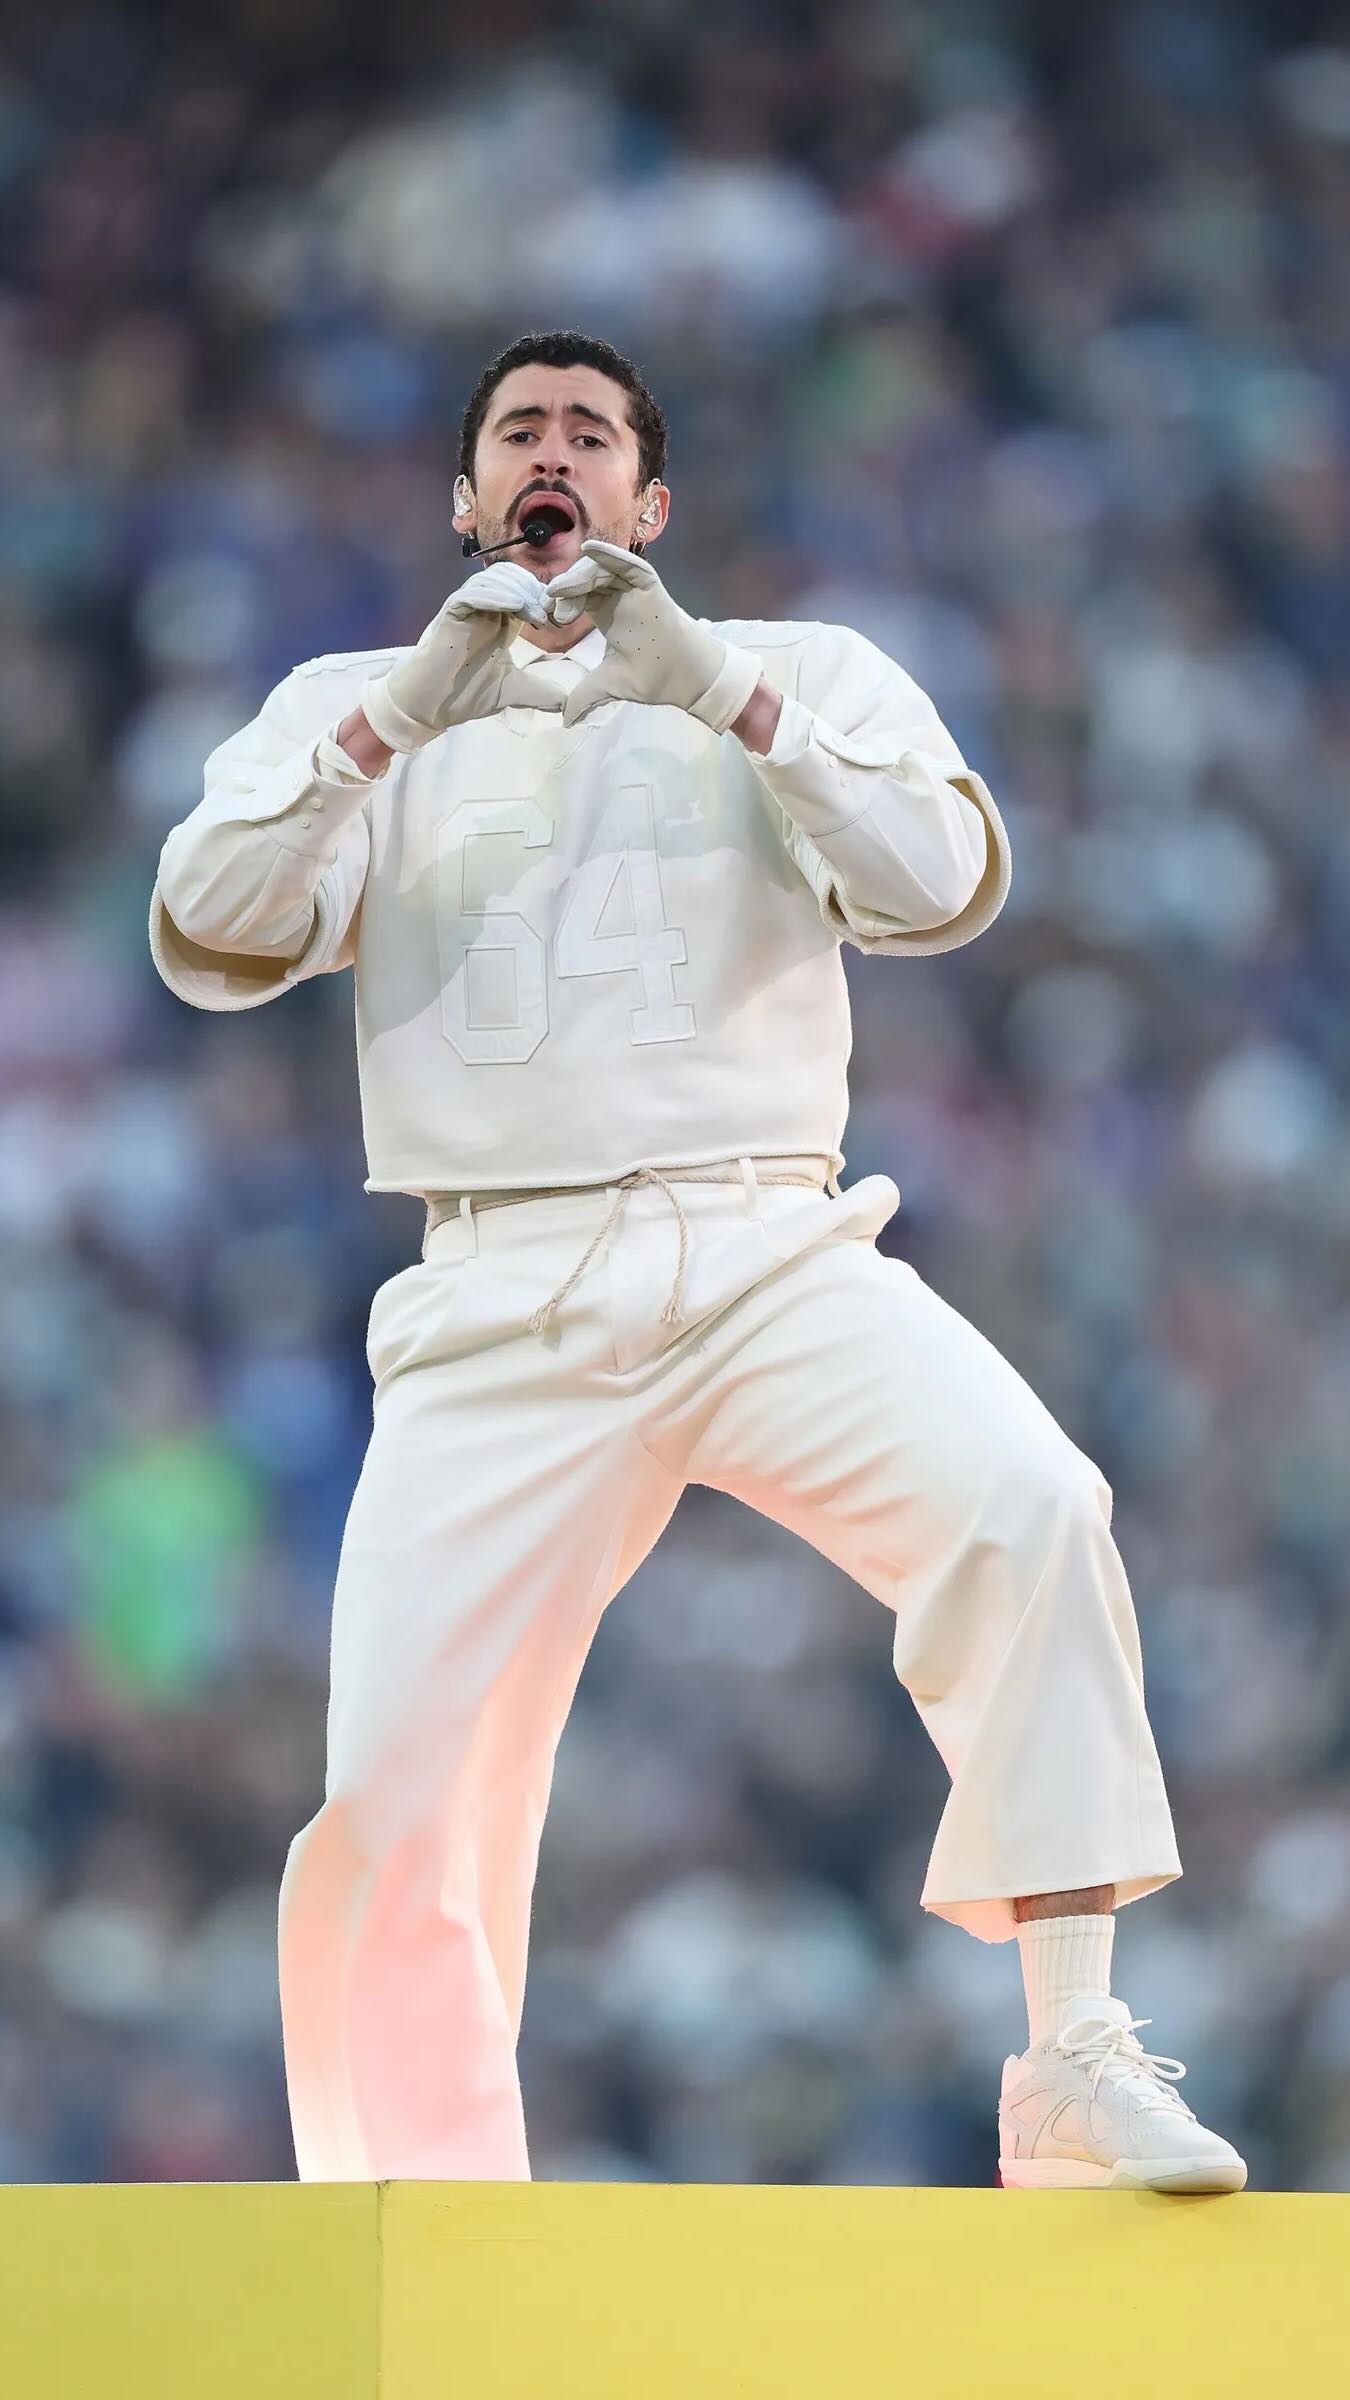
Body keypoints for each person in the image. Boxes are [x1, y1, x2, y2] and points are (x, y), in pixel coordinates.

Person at [149, 328, 1245, 2194]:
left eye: (591, 432)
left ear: (650, 503)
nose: (549, 454)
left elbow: (935, 886)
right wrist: (399, 713)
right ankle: (412, 2219)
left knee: (1028, 1503)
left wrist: (724, 694)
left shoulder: (799, 670)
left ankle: (1070, 2049)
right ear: (467, 498)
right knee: (396, 1791)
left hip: (762, 1243)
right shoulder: (352, 700)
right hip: (496, 1290)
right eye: (518, 433)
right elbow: (206, 922)